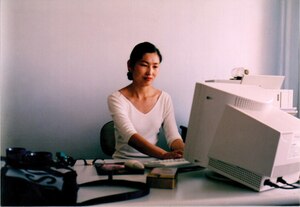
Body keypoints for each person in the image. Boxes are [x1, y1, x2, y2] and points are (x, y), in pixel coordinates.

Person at [107, 42, 184, 159]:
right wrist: (163, 155)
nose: (150, 72)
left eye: (155, 66)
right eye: (144, 65)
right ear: (130, 65)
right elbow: (130, 136)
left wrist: (186, 151)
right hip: (123, 164)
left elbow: (173, 136)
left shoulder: (164, 98)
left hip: (153, 164)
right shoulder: (116, 99)